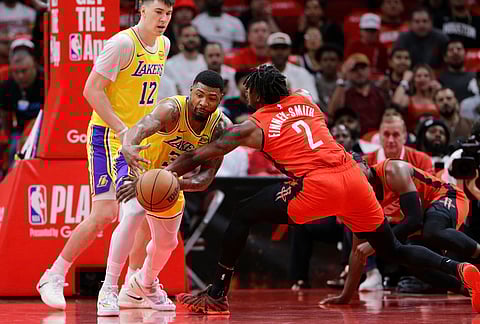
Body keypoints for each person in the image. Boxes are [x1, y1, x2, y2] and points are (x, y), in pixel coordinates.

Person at [132, 64, 478, 314]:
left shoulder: (252, 126)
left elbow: (198, 153)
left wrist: (167, 172)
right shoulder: (304, 97)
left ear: (257, 95)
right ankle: (459, 272)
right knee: (393, 247)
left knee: (243, 213)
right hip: (353, 179)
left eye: (250, 90)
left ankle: (218, 293)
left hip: (318, 185)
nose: (246, 94)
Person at [36, 0, 174, 310]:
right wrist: (124, 130)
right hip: (108, 137)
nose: (163, 19)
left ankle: (134, 285)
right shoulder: (123, 43)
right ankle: (55, 276)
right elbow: (91, 90)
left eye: (168, 13)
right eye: (158, 12)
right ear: (141, 9)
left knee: (141, 215)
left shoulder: (164, 44)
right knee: (110, 214)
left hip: (137, 138)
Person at [97, 70, 229, 316]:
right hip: (137, 164)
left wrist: (175, 183)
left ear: (221, 97)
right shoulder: (172, 109)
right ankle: (108, 289)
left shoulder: (220, 127)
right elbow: (139, 129)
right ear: (190, 90)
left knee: (167, 242)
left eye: (211, 98)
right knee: (134, 213)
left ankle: (142, 284)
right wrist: (129, 149)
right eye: (199, 95)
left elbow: (205, 178)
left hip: (169, 181)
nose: (203, 102)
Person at [327, 156, 480, 304]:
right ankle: (471, 289)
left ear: (366, 164)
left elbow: (414, 220)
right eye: (347, 176)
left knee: (432, 230)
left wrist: (375, 245)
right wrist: (345, 297)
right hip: (423, 217)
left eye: (354, 170)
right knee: (412, 261)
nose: (353, 177)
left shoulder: (393, 170)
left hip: (445, 196)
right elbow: (357, 252)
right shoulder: (359, 201)